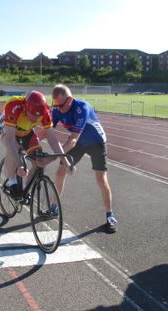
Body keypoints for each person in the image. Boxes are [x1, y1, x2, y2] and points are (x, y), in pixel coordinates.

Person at [50, 84, 117, 233]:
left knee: (101, 179)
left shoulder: (82, 108)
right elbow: (47, 130)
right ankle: (54, 207)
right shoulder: (57, 110)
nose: (58, 109)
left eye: (60, 105)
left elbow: (72, 141)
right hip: (80, 141)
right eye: (55, 106)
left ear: (69, 100)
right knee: (60, 172)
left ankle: (110, 215)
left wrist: (53, 156)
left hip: (96, 142)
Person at [0, 90, 71, 201]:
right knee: (14, 149)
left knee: (39, 160)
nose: (35, 119)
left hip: (26, 131)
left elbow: (52, 138)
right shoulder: (14, 105)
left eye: (38, 117)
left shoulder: (46, 112)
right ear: (25, 107)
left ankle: (26, 191)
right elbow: (10, 139)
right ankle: (12, 182)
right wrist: (19, 164)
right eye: (31, 115)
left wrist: (66, 162)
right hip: (7, 128)